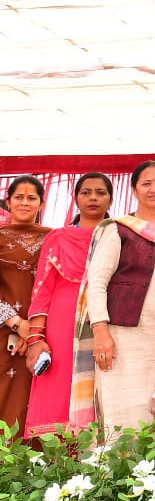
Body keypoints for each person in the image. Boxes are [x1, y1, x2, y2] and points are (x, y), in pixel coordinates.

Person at [78, 161, 155, 437]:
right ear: (134, 190)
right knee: (125, 409)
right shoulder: (117, 229)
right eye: (146, 183)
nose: (154, 189)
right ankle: (120, 462)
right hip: (123, 335)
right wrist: (101, 332)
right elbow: (97, 282)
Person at [23, 173, 113, 438]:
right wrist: (36, 339)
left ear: (110, 199)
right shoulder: (58, 238)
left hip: (105, 321)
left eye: (100, 192)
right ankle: (57, 458)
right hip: (62, 325)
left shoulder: (119, 235)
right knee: (59, 388)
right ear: (76, 198)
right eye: (86, 192)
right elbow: (42, 290)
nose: (93, 198)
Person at [0, 176, 50, 432]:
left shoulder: (54, 238)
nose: (25, 202)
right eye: (19, 197)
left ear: (41, 203)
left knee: (39, 402)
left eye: (32, 198)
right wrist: (18, 324)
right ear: (8, 202)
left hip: (44, 336)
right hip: (3, 335)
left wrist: (33, 332)